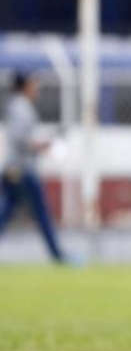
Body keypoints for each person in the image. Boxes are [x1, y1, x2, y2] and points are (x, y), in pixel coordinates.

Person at [0, 71, 73, 265]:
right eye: (34, 84)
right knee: (41, 213)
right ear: (25, 86)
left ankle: (58, 255)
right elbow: (20, 139)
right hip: (22, 170)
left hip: (15, 168)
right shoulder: (21, 107)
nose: (37, 89)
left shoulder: (16, 106)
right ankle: (58, 256)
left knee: (6, 211)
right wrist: (43, 146)